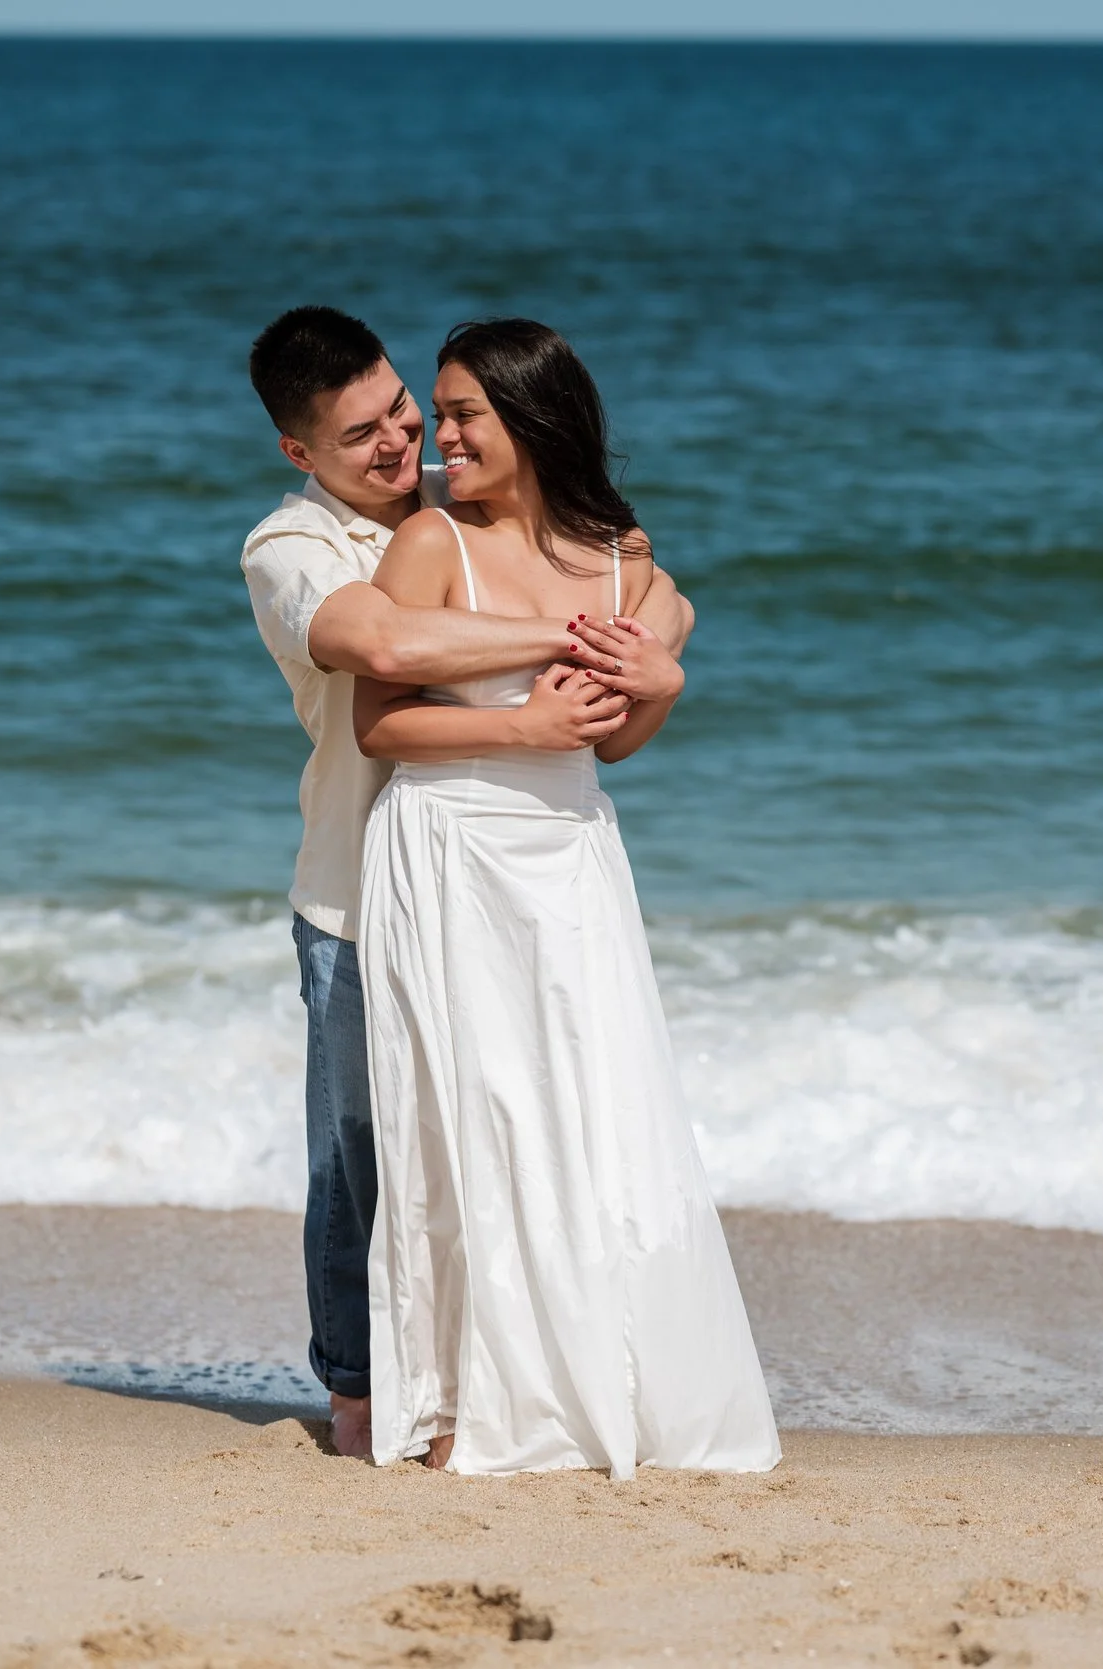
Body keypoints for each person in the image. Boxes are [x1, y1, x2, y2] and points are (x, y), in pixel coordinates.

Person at [351, 319, 781, 1477]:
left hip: (572, 847)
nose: (438, 442)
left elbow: (622, 740)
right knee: (467, 1117)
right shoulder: (431, 543)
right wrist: (519, 724)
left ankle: (613, 1382)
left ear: (533, 421)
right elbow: (379, 725)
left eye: (461, 417)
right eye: (436, 417)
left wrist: (661, 685)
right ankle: (463, 1403)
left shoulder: (619, 562)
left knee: (594, 1108)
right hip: (445, 846)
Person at [240, 306, 640, 1460]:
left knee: (499, 1134)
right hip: (359, 890)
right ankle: (359, 1392)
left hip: (492, 891)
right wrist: (573, 637)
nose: (398, 442)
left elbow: (643, 578)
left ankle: (490, 1371)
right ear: (300, 452)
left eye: (404, 411)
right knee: (359, 1152)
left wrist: (656, 624)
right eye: (360, 433)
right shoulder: (290, 549)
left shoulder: (458, 516)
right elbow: (395, 652)